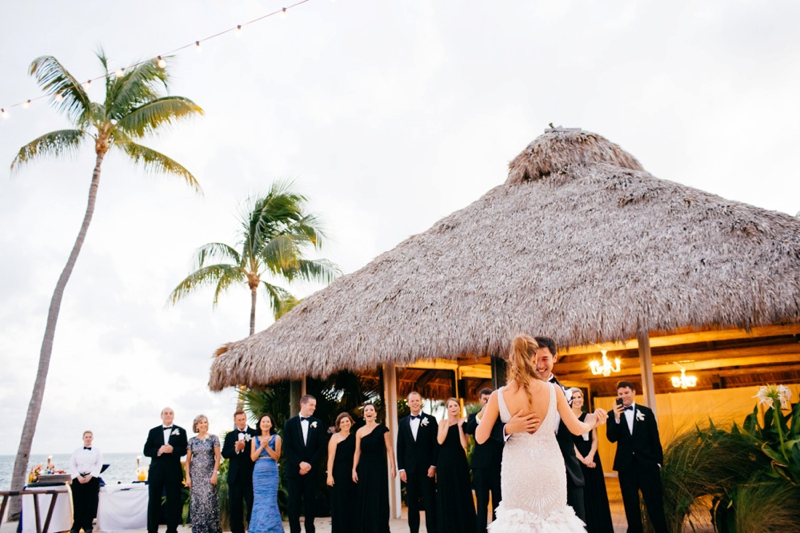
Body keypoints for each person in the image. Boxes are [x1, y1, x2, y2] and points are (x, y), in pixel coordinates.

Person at [476, 335, 607, 532]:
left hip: (517, 469)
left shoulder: (498, 396)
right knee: (555, 522)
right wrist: (592, 422)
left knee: (517, 523)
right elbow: (577, 429)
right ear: (534, 358)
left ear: (511, 360)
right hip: (550, 466)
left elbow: (479, 436)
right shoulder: (554, 391)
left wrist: (511, 427)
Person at [533, 336, 587, 520]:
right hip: (532, 475)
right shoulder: (514, 392)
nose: (539, 365)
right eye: (534, 358)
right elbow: (494, 429)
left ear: (555, 358)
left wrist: (592, 422)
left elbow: (574, 432)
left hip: (567, 473)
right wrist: (508, 429)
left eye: (545, 358)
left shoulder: (567, 393)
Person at [606, 381, 668, 533]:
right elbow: (611, 438)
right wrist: (617, 418)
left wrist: (658, 463)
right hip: (626, 468)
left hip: (648, 466)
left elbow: (655, 439)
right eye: (620, 394)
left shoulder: (646, 412)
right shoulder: (612, 415)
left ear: (633, 392)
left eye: (626, 393)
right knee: (630, 506)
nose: (624, 396)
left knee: (655, 504)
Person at [569, 389, 613, 533]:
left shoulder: (589, 416)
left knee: (596, 494)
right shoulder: (567, 418)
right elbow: (569, 443)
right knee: (582, 497)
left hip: (592, 459)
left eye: (579, 397)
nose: (577, 400)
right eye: (574, 397)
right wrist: (583, 459)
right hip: (576, 461)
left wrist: (591, 456)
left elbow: (595, 439)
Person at [283, 394, 326, 533]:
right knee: (293, 504)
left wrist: (309, 465)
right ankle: (294, 530)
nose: (314, 408)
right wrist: (300, 463)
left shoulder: (318, 423)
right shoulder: (289, 423)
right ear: (303, 404)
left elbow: (321, 448)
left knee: (310, 503)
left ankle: (310, 530)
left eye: (315, 405)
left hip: (311, 471)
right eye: (311, 405)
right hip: (294, 471)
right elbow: (287, 448)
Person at [397, 391, 439, 533]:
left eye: (417, 400)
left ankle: (432, 530)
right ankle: (413, 530)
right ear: (408, 403)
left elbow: (435, 445)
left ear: (421, 402)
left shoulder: (431, 420)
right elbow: (400, 446)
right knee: (412, 502)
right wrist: (401, 468)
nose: (415, 403)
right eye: (412, 401)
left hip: (427, 468)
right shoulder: (403, 422)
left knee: (430, 501)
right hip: (410, 469)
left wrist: (433, 465)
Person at [463, 389, 503, 533]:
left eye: (489, 399)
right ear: (480, 400)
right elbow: (468, 429)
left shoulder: (500, 416)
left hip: (498, 465)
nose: (487, 401)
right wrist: (482, 414)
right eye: (484, 398)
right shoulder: (475, 416)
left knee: (498, 501)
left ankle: (496, 530)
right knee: (481, 501)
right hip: (480, 466)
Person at [352, 403, 396, 533]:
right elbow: (357, 452)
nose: (369, 412)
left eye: (371, 410)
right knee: (364, 497)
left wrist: (393, 466)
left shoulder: (383, 429)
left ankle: (379, 528)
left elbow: (389, 449)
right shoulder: (359, 431)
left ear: (375, 414)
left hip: (378, 468)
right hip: (364, 468)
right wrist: (354, 469)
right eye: (366, 410)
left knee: (378, 497)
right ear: (363, 414)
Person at [143, 407, 188, 533]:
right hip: (156, 473)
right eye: (165, 413)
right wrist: (159, 450)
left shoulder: (181, 431)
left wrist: (172, 450)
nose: (168, 415)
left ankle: (172, 530)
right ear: (161, 416)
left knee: (174, 502)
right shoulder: (153, 432)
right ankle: (152, 530)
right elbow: (146, 451)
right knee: (153, 502)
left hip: (173, 473)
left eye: (170, 413)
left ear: (173, 416)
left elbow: (184, 450)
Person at [435, 398, 476, 533]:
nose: (453, 408)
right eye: (450, 406)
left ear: (459, 407)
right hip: (444, 461)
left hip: (459, 460)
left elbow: (465, 445)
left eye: (455, 406)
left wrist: (459, 426)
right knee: (446, 492)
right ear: (447, 409)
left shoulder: (464, 423)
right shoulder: (442, 422)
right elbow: (440, 440)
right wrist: (448, 423)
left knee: (461, 491)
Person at [221, 410, 259, 533]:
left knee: (252, 505)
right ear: (235, 421)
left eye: (243, 419)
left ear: (246, 418)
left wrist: (245, 448)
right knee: (235, 508)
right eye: (239, 420)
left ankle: (253, 529)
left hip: (250, 476)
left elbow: (257, 453)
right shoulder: (230, 435)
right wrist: (236, 449)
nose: (241, 422)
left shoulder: (254, 433)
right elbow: (225, 454)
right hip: (235, 477)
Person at [186, 415, 222, 533]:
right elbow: (188, 460)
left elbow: (217, 457)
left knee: (209, 504)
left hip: (209, 476)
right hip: (196, 477)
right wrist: (188, 477)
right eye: (201, 423)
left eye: (205, 422)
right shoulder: (192, 441)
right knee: (197, 505)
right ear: (196, 425)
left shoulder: (213, 438)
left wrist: (215, 473)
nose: (203, 425)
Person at [249, 413, 283, 533]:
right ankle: (258, 529)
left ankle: (272, 529)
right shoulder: (254, 439)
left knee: (270, 501)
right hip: (258, 473)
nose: (265, 424)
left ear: (271, 424)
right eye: (263, 422)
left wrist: (267, 447)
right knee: (259, 501)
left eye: (268, 421)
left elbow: (277, 457)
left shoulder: (276, 438)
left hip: (271, 472)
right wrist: (261, 446)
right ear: (259, 424)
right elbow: (253, 457)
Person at [326, 412, 357, 533]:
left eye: (347, 421)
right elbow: (331, 457)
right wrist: (329, 475)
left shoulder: (355, 437)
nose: (345, 424)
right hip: (339, 474)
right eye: (342, 422)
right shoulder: (335, 437)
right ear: (339, 424)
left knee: (351, 503)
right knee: (340, 504)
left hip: (352, 473)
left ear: (351, 422)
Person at [69, 430, 103, 533]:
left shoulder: (97, 451)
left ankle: (88, 526)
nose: (88, 439)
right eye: (86, 437)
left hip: (92, 479)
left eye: (89, 437)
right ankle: (76, 526)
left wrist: (91, 475)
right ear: (83, 438)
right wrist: (78, 476)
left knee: (90, 503)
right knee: (78, 502)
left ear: (92, 438)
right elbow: (72, 464)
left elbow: (99, 464)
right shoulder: (76, 451)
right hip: (78, 479)